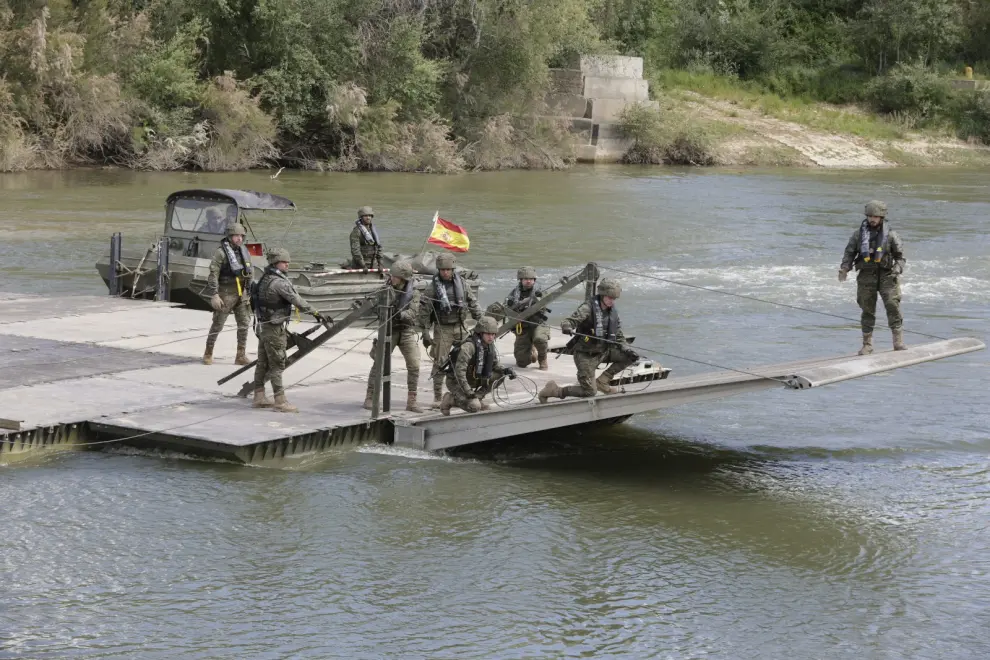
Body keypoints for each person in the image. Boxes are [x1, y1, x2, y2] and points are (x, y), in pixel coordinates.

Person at [538, 278, 638, 403]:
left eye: (614, 299)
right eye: (609, 298)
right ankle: (555, 390)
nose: (612, 301)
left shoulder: (612, 312)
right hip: (586, 355)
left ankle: (602, 381)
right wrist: (567, 327)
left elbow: (618, 335)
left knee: (630, 356)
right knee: (589, 392)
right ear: (602, 295)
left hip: (604, 351)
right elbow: (568, 321)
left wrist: (627, 349)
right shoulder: (587, 307)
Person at [252, 247, 327, 412]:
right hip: (274, 328)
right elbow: (297, 300)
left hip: (264, 326)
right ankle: (280, 400)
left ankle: (259, 396)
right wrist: (316, 312)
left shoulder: (265, 278)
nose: (287, 265)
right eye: (284, 262)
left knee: (263, 362)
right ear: (275, 263)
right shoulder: (279, 282)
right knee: (277, 364)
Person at [839, 200, 907, 354]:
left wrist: (897, 268)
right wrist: (844, 268)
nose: (872, 219)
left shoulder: (891, 235)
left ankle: (898, 341)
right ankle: (867, 344)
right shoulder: (858, 235)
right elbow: (849, 253)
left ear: (881, 217)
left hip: (887, 275)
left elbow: (901, 257)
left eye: (875, 216)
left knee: (892, 305)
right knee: (867, 309)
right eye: (870, 216)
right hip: (866, 276)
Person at [418, 253, 482, 408]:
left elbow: (473, 302)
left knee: (473, 355)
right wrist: (425, 331)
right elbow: (424, 311)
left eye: (448, 269)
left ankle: (471, 391)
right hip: (443, 328)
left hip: (460, 326)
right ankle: (438, 397)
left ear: (453, 269)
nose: (445, 272)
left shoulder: (462, 284)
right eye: (442, 270)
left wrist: (482, 320)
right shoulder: (432, 288)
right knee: (440, 362)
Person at [363, 260, 425, 413]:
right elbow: (374, 308)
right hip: (388, 330)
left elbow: (412, 314)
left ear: (403, 278)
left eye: (395, 276)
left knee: (414, 364)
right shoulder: (385, 290)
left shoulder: (414, 293)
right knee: (379, 363)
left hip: (406, 331)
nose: (391, 278)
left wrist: (398, 313)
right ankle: (370, 396)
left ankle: (412, 401)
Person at [440, 316, 515, 416]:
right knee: (474, 407)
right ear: (480, 332)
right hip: (457, 382)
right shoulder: (468, 347)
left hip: (473, 378)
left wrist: (505, 370)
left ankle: (477, 398)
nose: (491, 337)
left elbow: (495, 364)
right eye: (488, 334)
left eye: (493, 334)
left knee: (500, 375)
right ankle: (450, 399)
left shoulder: (489, 345)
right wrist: (468, 391)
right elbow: (459, 373)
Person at [203, 223, 253, 366]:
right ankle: (208, 352)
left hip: (241, 294)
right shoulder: (221, 253)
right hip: (226, 293)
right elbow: (213, 274)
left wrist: (249, 291)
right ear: (230, 236)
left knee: (244, 323)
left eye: (241, 236)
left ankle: (240, 355)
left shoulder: (244, 251)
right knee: (218, 324)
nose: (239, 239)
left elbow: (250, 270)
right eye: (236, 236)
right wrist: (214, 294)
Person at [504, 266, 550, 370]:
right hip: (523, 327)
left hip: (538, 323)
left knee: (540, 339)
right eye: (526, 279)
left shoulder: (540, 292)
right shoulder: (514, 294)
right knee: (522, 363)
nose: (528, 281)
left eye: (531, 279)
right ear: (521, 280)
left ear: (534, 280)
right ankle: (531, 350)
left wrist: (535, 302)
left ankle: (542, 358)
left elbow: (545, 303)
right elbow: (506, 308)